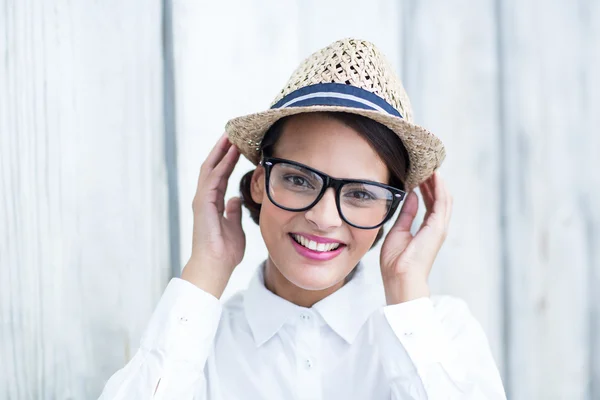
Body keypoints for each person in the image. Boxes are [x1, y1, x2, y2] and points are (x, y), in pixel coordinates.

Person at [99, 38, 506, 399]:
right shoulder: (194, 341)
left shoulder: (441, 332)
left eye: (361, 193)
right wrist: (204, 270)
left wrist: (405, 289)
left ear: (389, 210)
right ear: (259, 183)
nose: (323, 217)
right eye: (298, 179)